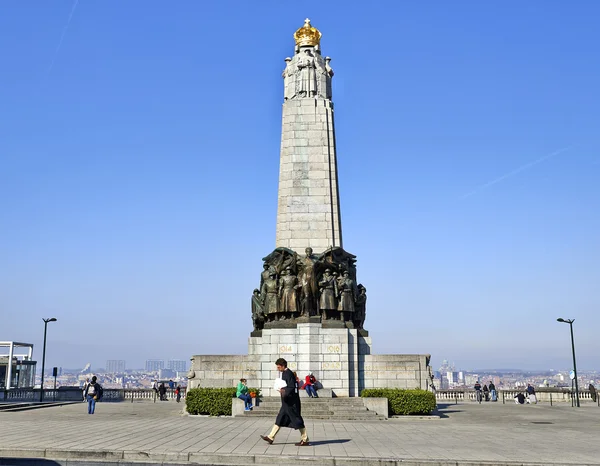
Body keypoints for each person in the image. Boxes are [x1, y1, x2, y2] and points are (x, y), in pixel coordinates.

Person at [261, 358, 309, 446]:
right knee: (280, 418)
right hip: (286, 402)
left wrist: (283, 391)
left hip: (291, 403)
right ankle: (271, 437)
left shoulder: (288, 374)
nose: (278, 369)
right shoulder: (285, 373)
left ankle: (305, 439)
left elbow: (291, 387)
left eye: (279, 367)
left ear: (283, 366)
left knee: (297, 420)